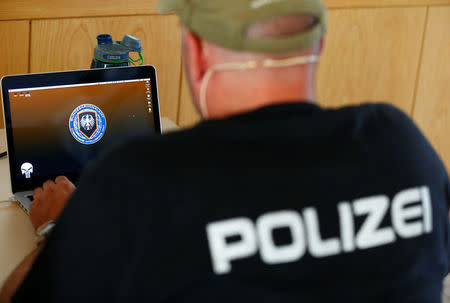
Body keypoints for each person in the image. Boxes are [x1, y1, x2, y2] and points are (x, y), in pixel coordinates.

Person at [1, 0, 450, 302]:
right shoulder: (401, 146)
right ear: (319, 43)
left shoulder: (136, 183)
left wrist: (58, 226)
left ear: (195, 53)